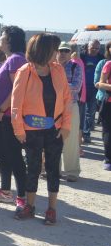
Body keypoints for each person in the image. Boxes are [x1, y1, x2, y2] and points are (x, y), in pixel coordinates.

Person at [11, 33, 70, 225]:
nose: (57, 54)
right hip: (31, 130)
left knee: (53, 169)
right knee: (33, 168)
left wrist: (66, 125)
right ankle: (30, 206)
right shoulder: (24, 72)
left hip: (55, 129)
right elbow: (16, 105)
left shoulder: (58, 70)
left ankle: (51, 209)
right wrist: (19, 130)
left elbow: (67, 99)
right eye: (54, 50)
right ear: (44, 51)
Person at [0, 26, 28, 205]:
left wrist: (2, 110)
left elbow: (17, 91)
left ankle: (21, 197)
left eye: (2, 36)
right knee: (2, 153)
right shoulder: (12, 59)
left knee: (13, 155)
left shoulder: (16, 60)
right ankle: (5, 191)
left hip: (7, 116)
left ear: (10, 40)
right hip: (4, 115)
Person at [57, 42, 83, 182]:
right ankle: (53, 169)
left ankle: (72, 171)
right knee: (53, 139)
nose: (63, 53)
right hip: (53, 107)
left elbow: (76, 86)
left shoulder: (75, 67)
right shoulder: (51, 67)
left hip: (70, 106)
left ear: (70, 52)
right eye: (61, 50)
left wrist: (57, 84)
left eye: (66, 51)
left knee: (71, 139)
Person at [80, 40, 103, 143]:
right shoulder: (81, 56)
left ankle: (86, 133)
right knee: (81, 112)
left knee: (90, 112)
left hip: (94, 88)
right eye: (92, 48)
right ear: (87, 47)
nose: (94, 50)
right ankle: (79, 132)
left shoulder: (101, 58)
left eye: (97, 48)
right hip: (81, 88)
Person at [94, 42, 111, 170]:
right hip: (108, 103)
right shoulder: (108, 64)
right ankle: (108, 158)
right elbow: (99, 83)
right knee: (108, 131)